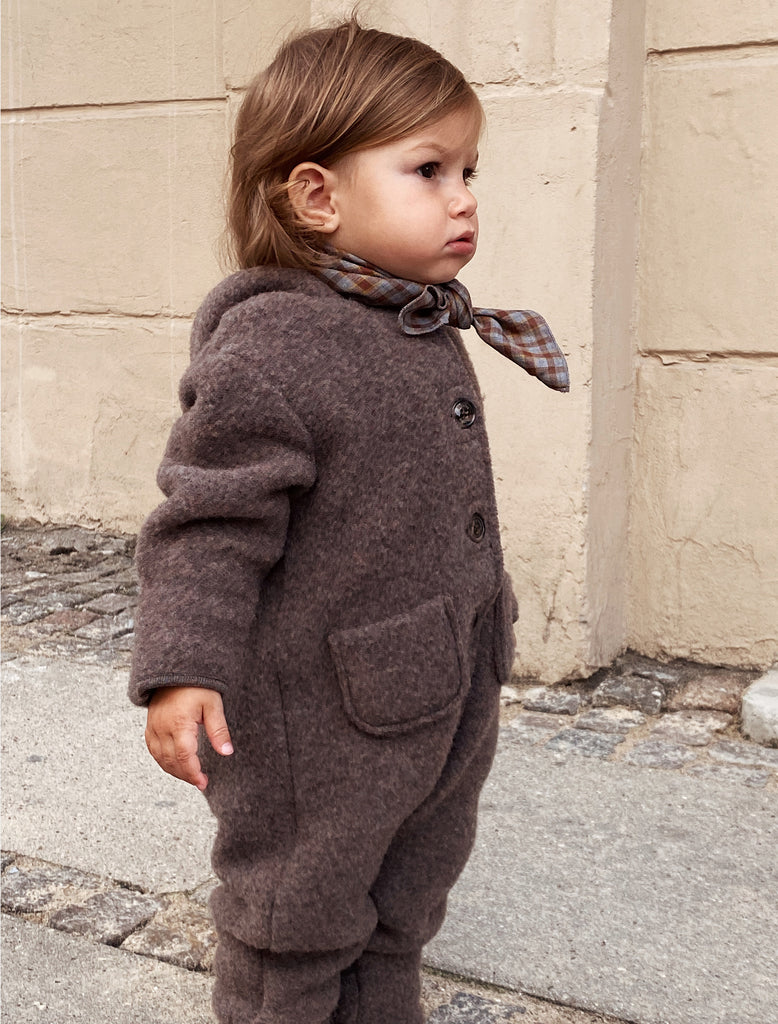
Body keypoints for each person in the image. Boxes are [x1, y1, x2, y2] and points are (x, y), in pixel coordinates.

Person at [129, 18, 568, 1024]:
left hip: (435, 683)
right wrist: (183, 667)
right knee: (299, 910)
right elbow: (208, 524)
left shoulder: (412, 312)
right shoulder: (272, 346)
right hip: (312, 717)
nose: (463, 197)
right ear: (317, 194)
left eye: (470, 169)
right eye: (428, 169)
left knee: (403, 893)